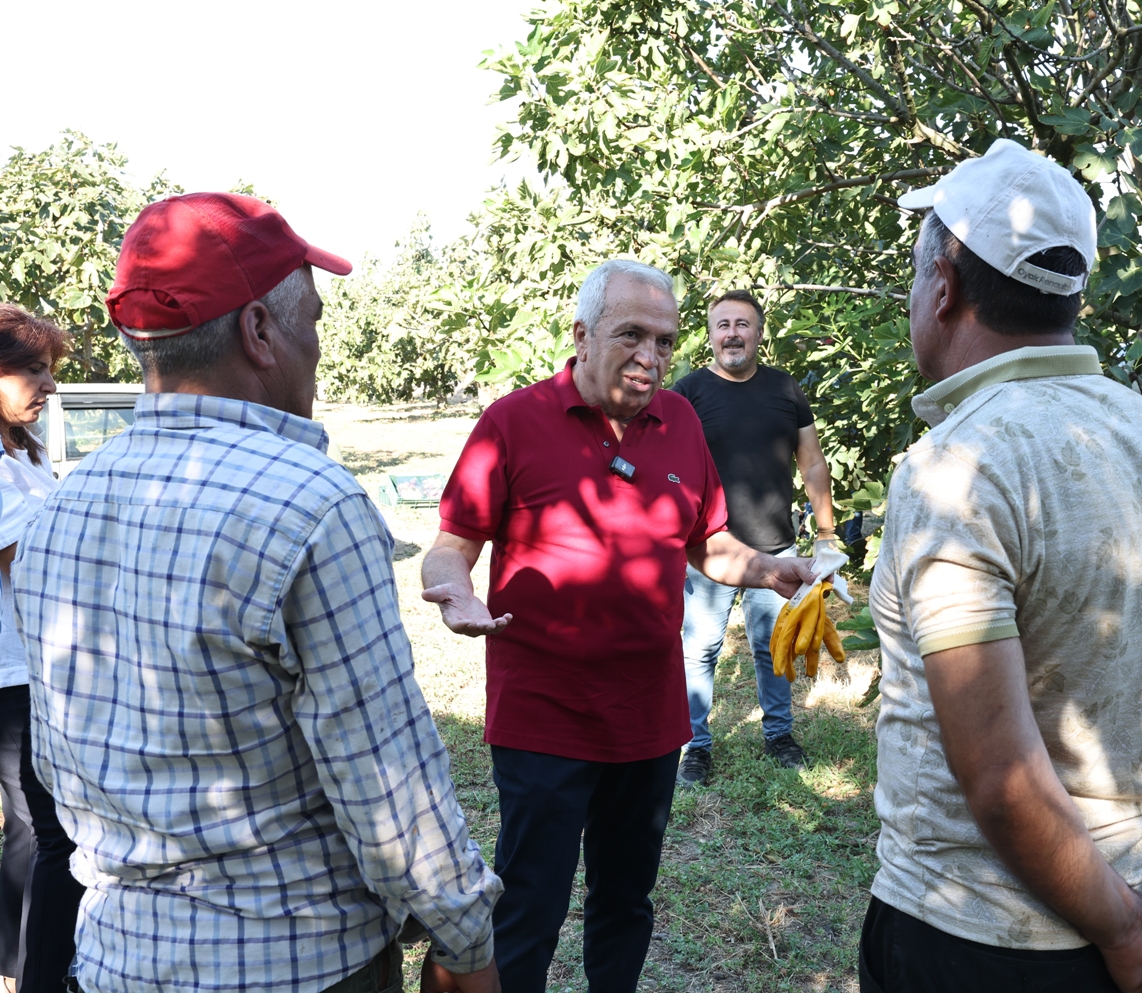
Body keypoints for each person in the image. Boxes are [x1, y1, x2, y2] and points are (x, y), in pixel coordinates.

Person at [13, 192, 503, 993]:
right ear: (259, 331)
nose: (317, 344)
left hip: (115, 958)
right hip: (296, 960)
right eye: (312, 319)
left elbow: (60, 765)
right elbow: (388, 784)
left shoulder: (62, 506)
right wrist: (465, 943)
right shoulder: (313, 505)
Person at [859, 139, 1142, 993]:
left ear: (941, 285)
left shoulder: (957, 468)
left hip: (971, 937)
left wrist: (1127, 922)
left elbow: (998, 771)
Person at [421, 258, 813, 993]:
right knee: (530, 901)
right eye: (632, 334)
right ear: (581, 334)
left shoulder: (682, 421)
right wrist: (452, 591)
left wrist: (767, 569)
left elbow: (706, 541)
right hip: (543, 712)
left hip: (647, 714)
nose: (652, 356)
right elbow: (450, 544)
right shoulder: (513, 421)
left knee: (625, 900)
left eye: (664, 341)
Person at [669, 289, 836, 783]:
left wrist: (825, 534)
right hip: (709, 549)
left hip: (776, 547)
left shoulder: (785, 390)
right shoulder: (687, 393)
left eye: (743, 324)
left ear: (759, 334)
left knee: (773, 647)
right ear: (711, 335)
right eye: (723, 325)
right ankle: (695, 746)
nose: (732, 333)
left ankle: (779, 735)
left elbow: (812, 462)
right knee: (699, 649)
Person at [0, 306, 84, 993]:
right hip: (10, 675)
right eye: (30, 368)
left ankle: (18, 963)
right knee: (48, 832)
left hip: (36, 666)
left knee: (34, 831)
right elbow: (33, 554)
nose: (46, 384)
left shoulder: (24, 449)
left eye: (48, 368)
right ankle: (41, 977)